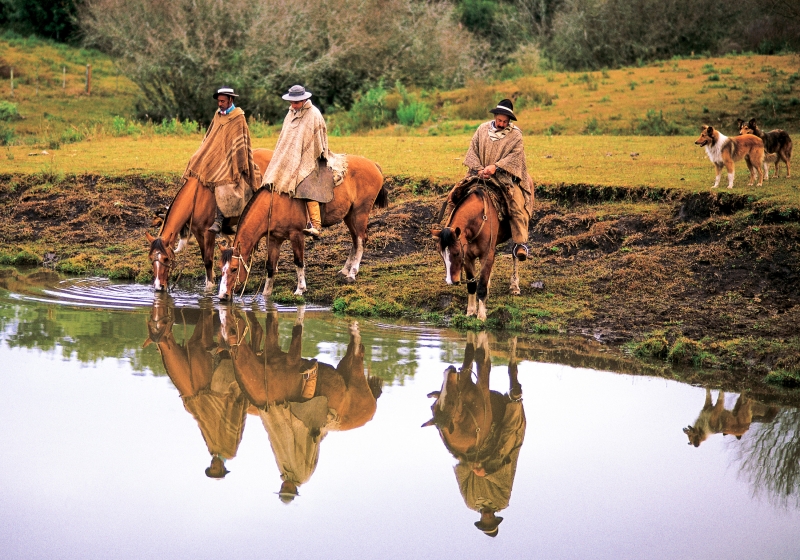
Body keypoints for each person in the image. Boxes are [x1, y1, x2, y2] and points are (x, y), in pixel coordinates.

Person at [443, 98, 533, 261]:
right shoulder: (482, 129)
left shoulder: (516, 136)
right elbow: (473, 150)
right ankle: (449, 232)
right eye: (499, 120)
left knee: (516, 206)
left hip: (503, 178)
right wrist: (479, 169)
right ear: (495, 117)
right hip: (478, 175)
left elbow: (515, 156)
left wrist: (495, 167)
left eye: (505, 121)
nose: (501, 124)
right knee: (453, 196)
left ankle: (520, 243)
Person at [181, 86, 261, 234]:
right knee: (195, 161)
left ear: (231, 100)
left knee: (224, 183)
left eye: (223, 101)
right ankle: (185, 212)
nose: (220, 104)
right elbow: (210, 138)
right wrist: (206, 152)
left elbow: (241, 143)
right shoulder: (218, 115)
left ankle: (220, 220)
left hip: (232, 159)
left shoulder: (239, 117)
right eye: (219, 101)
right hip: (217, 156)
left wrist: (230, 160)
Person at [262, 85, 330, 238]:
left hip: (310, 158)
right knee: (273, 177)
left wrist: (304, 159)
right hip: (291, 158)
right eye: (292, 102)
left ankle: (316, 225)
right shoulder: (291, 113)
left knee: (307, 185)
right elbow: (286, 139)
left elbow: (318, 140)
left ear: (304, 99)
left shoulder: (314, 114)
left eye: (296, 102)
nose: (293, 105)